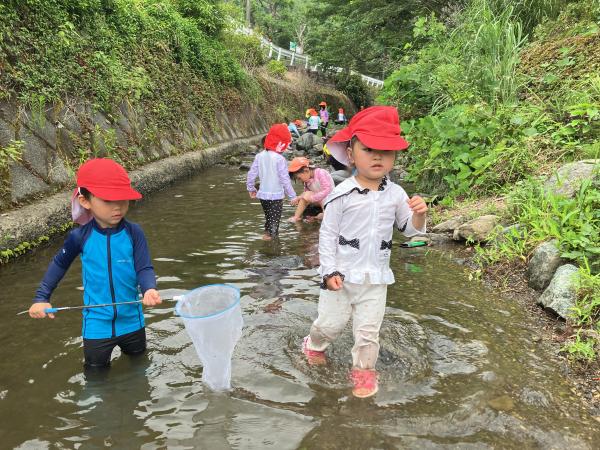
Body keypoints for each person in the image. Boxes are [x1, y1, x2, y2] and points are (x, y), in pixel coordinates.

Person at [301, 106, 428, 398]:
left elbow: (409, 230)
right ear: (350, 153)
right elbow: (328, 235)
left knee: (368, 332)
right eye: (369, 149)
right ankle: (313, 344)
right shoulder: (341, 193)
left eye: (386, 151)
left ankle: (363, 371)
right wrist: (328, 271)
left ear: (394, 156)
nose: (377, 157)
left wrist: (419, 214)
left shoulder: (396, 194)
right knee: (329, 326)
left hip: (376, 278)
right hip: (341, 277)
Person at [29, 158, 162, 369]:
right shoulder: (80, 237)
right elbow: (59, 265)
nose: (118, 207)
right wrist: (41, 298)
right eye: (108, 200)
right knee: (95, 376)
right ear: (85, 201)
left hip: (132, 320)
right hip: (96, 324)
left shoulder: (134, 233)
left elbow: (143, 267)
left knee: (140, 368)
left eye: (123, 199)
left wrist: (149, 289)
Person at [246, 123, 297, 240]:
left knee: (268, 219)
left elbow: (251, 174)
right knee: (274, 224)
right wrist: (292, 196)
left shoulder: (259, 156)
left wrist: (251, 188)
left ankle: (266, 240)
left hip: (263, 195)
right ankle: (273, 246)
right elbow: (285, 179)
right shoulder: (280, 159)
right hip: (276, 196)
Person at [287, 157, 334, 223]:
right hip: (317, 201)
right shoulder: (307, 181)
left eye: (299, 178)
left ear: (306, 170)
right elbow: (306, 194)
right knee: (305, 196)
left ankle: (321, 215)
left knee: (322, 214)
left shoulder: (320, 173)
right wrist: (298, 198)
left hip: (329, 199)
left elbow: (327, 190)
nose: (300, 181)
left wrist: (313, 198)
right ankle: (296, 217)